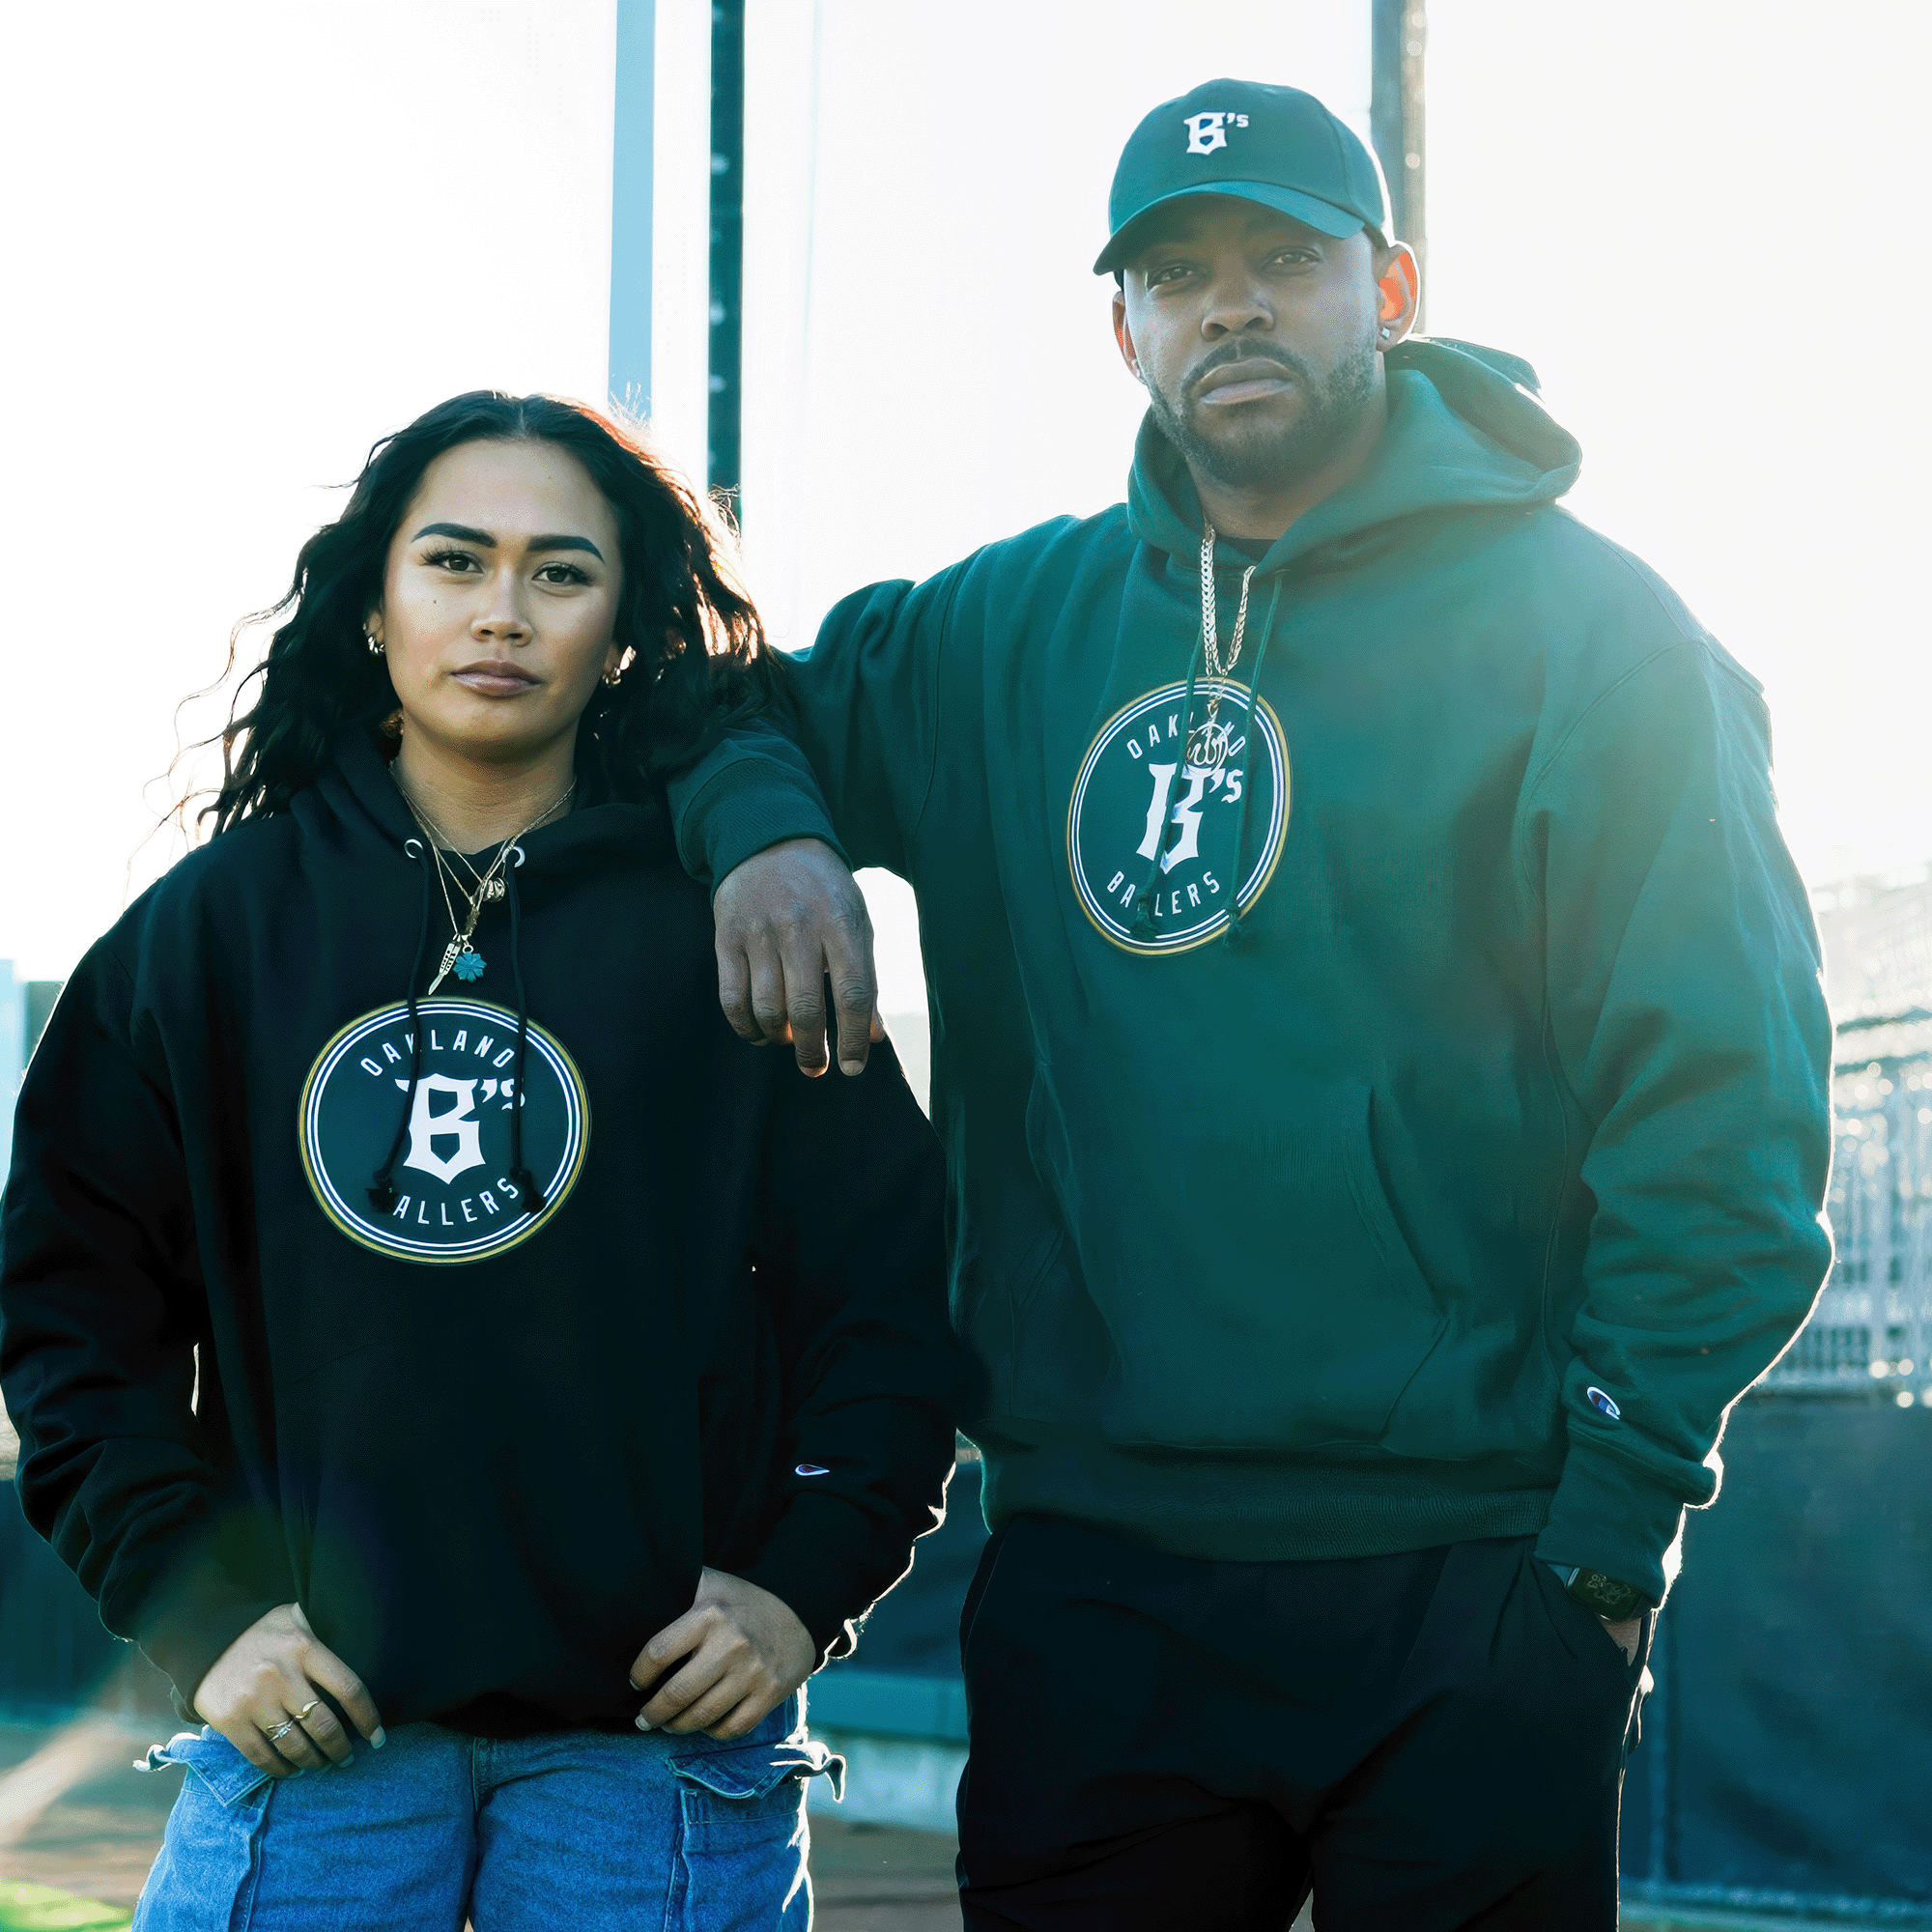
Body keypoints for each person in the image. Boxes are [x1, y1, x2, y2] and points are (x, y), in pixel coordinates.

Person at [661, 79, 1834, 1930]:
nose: (1234, 306)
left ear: (1393, 284)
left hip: (1473, 1568)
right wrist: (768, 841)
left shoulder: (1599, 640)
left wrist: (1606, 1543)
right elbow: (731, 704)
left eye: (1288, 259)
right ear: (1121, 324)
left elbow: (1732, 1124)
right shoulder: (1005, 630)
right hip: (1096, 1572)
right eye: (1180, 271)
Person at [0, 392, 960, 1930]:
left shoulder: (735, 931)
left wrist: (800, 1586)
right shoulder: (211, 934)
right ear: (374, 602)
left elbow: (895, 1296)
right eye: (453, 562)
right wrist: (200, 1609)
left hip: (655, 1742)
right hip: (315, 1731)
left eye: (559, 573)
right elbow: (69, 1315)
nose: (499, 613)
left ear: (625, 625)